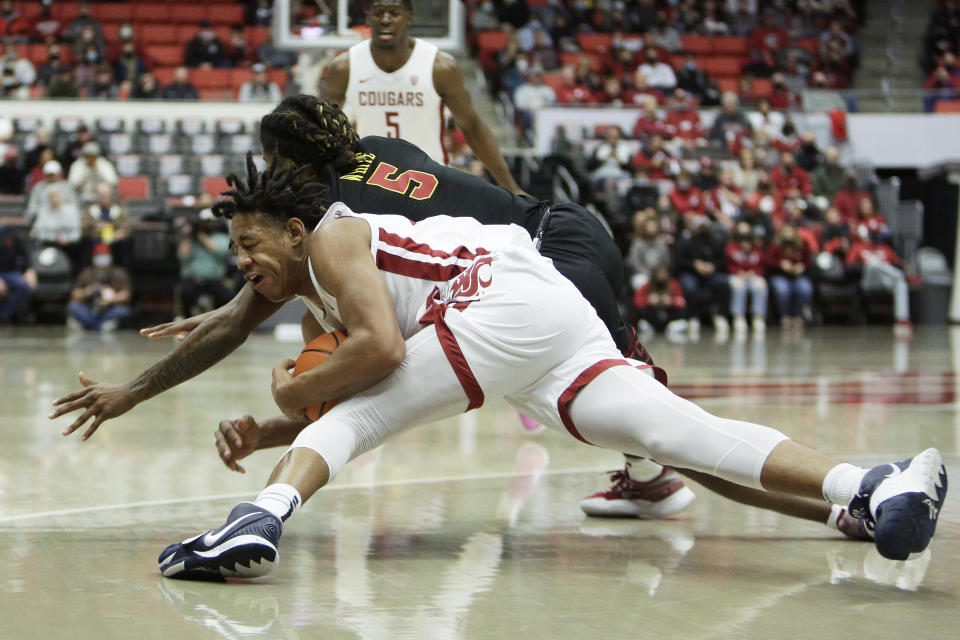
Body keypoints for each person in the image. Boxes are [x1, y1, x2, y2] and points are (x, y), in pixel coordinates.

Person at [49, 162, 947, 581]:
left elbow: (385, 364)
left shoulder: (330, 238)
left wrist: (292, 399)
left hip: (500, 299)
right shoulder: (295, 275)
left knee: (349, 423)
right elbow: (360, 366)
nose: (240, 262)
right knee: (680, 433)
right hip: (540, 320)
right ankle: (874, 484)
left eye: (247, 243)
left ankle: (253, 524)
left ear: (289, 229)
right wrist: (256, 418)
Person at [323, 0, 521, 193]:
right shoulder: (344, 67)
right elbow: (325, 132)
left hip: (430, 181)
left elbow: (472, 126)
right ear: (367, 17)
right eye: (378, 12)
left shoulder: (439, 67)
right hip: (371, 182)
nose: (385, 19)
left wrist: (510, 187)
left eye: (394, 12)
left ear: (409, 17)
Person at [176, 208, 233, 316]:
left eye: (210, 221)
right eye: (205, 222)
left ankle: (219, 320)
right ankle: (185, 320)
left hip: (214, 279)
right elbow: (183, 256)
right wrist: (187, 236)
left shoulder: (220, 237)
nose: (208, 224)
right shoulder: (190, 239)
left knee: (226, 297)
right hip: (193, 279)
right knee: (185, 293)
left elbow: (219, 250)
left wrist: (200, 235)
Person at [66, 242, 131, 331]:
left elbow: (126, 294)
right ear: (94, 257)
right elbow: (74, 294)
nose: (102, 258)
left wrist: (111, 299)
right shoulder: (86, 273)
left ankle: (92, 326)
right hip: (89, 309)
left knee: (122, 310)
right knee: (73, 306)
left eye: (105, 255)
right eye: (99, 255)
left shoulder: (118, 273)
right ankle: (97, 326)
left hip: (109, 310)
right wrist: (87, 292)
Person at [724, 221, 767, 336]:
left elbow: (761, 264)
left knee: (760, 286)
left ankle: (758, 317)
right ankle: (739, 317)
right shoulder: (731, 247)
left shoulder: (756, 248)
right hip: (736, 275)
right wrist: (738, 272)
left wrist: (754, 273)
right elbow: (727, 264)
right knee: (739, 286)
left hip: (753, 275)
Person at [0, 223, 37, 324]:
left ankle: (4, 316)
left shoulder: (10, 232)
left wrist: (29, 270)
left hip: (10, 272)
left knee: (25, 287)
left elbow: (24, 253)